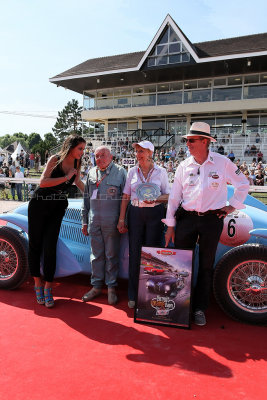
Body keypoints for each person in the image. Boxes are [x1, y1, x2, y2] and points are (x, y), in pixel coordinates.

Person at [164, 122, 249, 326]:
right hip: (187, 218)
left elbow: (243, 184)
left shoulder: (222, 162)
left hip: (212, 219)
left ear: (205, 141)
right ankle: (180, 307)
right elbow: (174, 198)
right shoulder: (183, 165)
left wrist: (231, 207)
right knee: (181, 264)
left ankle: (200, 308)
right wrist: (170, 225)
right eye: (187, 140)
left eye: (192, 140)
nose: (188, 144)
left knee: (206, 265)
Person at [28, 135, 86, 308]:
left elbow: (78, 183)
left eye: (83, 149)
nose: (82, 152)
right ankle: (37, 283)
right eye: (80, 149)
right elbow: (43, 182)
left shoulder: (77, 163)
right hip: (40, 204)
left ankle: (48, 286)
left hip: (58, 207)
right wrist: (65, 177)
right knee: (35, 245)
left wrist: (94, 194)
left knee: (50, 247)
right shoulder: (55, 159)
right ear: (71, 147)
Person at [117, 140, 170, 308]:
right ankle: (133, 294)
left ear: (150, 153)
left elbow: (168, 196)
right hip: (135, 213)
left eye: (141, 151)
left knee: (152, 256)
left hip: (155, 213)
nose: (138, 154)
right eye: (137, 151)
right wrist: (121, 218)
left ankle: (150, 294)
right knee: (135, 253)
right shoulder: (131, 171)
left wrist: (155, 198)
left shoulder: (161, 172)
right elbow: (126, 196)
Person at [81, 146, 127, 305]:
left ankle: (111, 287)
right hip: (94, 221)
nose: (99, 158)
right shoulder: (91, 173)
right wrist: (84, 220)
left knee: (111, 255)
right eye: (96, 156)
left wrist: (123, 220)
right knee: (96, 256)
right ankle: (96, 286)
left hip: (112, 222)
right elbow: (86, 199)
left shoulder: (121, 172)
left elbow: (125, 199)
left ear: (111, 156)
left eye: (102, 155)